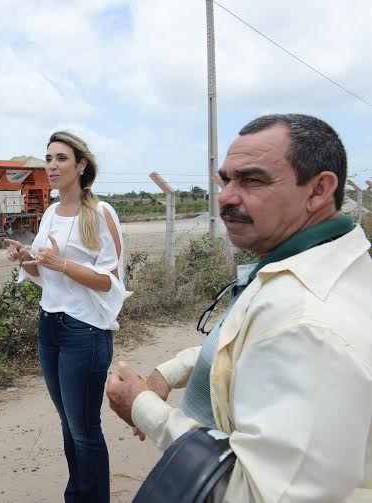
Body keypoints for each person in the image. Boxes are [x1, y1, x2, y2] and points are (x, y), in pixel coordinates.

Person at [106, 114, 372, 501]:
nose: (226, 196)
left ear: (318, 190)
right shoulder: (314, 263)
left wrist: (142, 407)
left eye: (252, 180)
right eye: (226, 179)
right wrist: (172, 370)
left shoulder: (307, 323)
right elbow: (251, 347)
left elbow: (255, 494)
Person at [4, 131, 130, 503]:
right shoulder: (49, 214)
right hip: (50, 327)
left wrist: (62, 262)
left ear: (81, 165)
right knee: (68, 425)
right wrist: (27, 260)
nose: (52, 166)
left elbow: (110, 282)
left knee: (85, 431)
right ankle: (77, 495)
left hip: (84, 332)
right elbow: (46, 277)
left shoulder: (100, 213)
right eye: (48, 159)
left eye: (61, 158)